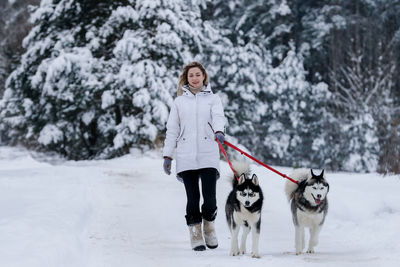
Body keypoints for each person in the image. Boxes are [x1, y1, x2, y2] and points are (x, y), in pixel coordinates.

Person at [162, 61, 227, 251]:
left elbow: (218, 117)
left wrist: (219, 131)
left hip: (208, 153)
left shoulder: (213, 99)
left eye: (198, 74)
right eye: (191, 75)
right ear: (186, 78)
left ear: (204, 76)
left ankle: (209, 226)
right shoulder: (179, 102)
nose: (195, 78)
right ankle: (196, 233)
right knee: (193, 198)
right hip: (186, 155)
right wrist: (168, 155)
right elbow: (172, 129)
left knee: (210, 198)